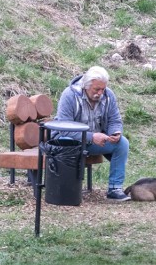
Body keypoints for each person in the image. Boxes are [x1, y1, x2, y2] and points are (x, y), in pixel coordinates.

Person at [54, 65, 131, 201]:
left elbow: (115, 119)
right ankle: (67, 191)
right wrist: (91, 137)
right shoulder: (69, 95)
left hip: (94, 139)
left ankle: (115, 189)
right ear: (86, 86)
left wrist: (115, 132)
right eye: (97, 89)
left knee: (122, 143)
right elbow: (63, 128)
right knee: (67, 140)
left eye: (103, 89)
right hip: (68, 141)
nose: (100, 92)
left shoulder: (108, 95)